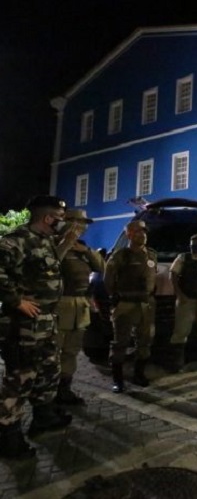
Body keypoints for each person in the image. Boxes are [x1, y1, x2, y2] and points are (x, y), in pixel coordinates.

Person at [0, 195, 73, 460]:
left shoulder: (47, 242)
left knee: (48, 371)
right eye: (61, 218)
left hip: (46, 323)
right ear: (47, 218)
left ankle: (43, 418)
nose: (63, 223)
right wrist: (16, 300)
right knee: (20, 378)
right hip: (24, 326)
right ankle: (7, 435)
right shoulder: (16, 240)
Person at [55, 209, 105, 405]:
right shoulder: (54, 244)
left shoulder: (83, 248)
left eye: (84, 223)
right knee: (54, 352)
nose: (83, 227)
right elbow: (47, 266)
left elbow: (102, 267)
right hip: (60, 305)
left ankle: (64, 390)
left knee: (72, 351)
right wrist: (66, 244)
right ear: (67, 222)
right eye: (79, 222)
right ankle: (47, 396)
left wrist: (86, 251)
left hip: (80, 306)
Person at [104, 220, 158, 393]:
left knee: (145, 341)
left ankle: (139, 375)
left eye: (144, 231)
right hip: (125, 304)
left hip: (146, 304)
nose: (142, 234)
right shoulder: (121, 255)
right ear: (128, 234)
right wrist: (115, 298)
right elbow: (108, 280)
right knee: (120, 342)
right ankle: (118, 380)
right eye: (137, 231)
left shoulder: (151, 254)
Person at [168, 234, 197, 373]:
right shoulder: (183, 257)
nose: (196, 247)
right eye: (193, 244)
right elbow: (173, 274)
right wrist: (179, 294)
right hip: (186, 299)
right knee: (181, 331)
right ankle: (177, 362)